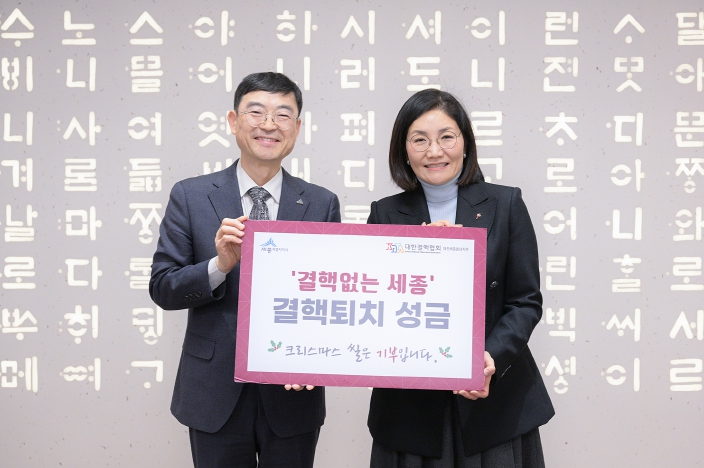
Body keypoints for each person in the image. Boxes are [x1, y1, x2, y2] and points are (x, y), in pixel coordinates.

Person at [149, 72, 340, 468]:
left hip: (292, 389)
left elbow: (332, 296)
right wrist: (218, 266)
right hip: (213, 389)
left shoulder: (321, 203)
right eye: (256, 112)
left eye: (282, 115)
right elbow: (163, 288)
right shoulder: (191, 195)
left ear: (297, 128)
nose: (269, 124)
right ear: (234, 121)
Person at [366, 89, 554, 467]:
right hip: (411, 408)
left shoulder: (506, 203)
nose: (434, 151)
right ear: (403, 150)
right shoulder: (385, 214)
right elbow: (373, 305)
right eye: (419, 140)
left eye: (446, 137)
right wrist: (417, 256)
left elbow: (525, 301)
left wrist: (488, 360)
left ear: (465, 142)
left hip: (492, 402)